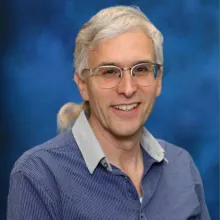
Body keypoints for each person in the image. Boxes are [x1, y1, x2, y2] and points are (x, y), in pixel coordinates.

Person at [7, 5, 210, 220]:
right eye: (110, 72)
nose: (128, 89)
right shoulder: (40, 176)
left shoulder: (181, 166)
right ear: (83, 84)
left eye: (141, 69)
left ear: (157, 80)